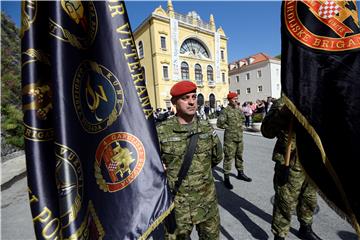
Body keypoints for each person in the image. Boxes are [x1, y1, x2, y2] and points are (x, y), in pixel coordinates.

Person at [156, 80, 223, 240]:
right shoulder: (161, 132)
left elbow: (217, 157)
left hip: (207, 203)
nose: (192, 101)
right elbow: (152, 167)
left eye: (194, 96)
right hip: (177, 206)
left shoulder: (206, 128)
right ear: (174, 102)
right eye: (185, 98)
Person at [261, 98, 322, 240]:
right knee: (285, 202)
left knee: (309, 199)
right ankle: (280, 235)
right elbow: (266, 131)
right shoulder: (282, 104)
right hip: (289, 162)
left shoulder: (316, 101)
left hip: (312, 162)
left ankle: (305, 227)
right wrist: (282, 114)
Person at [217, 91, 252, 190]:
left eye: (236, 98)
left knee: (239, 156)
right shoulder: (225, 111)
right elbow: (219, 124)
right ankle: (226, 178)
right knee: (228, 157)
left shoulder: (238, 110)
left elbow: (243, 119)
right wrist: (228, 127)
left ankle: (240, 173)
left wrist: (240, 124)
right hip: (230, 139)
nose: (236, 100)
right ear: (229, 100)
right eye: (234, 99)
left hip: (239, 137)